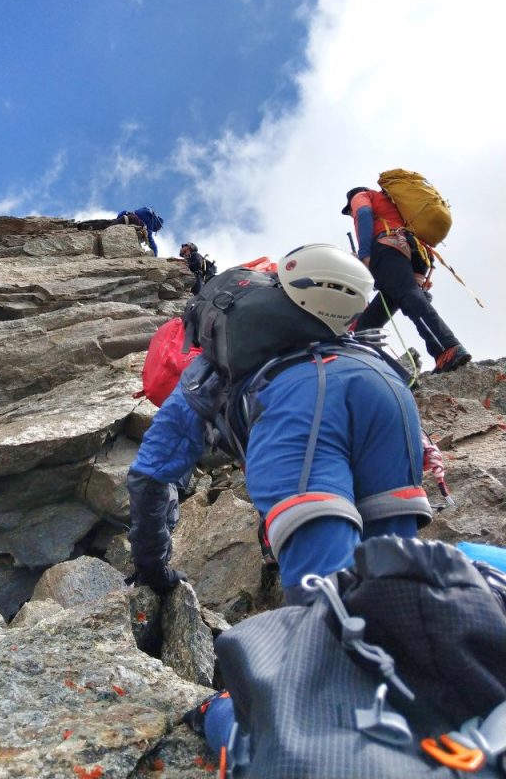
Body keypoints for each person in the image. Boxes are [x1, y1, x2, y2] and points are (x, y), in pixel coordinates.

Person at [126, 244, 432, 604]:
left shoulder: (204, 372)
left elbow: (150, 474)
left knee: (327, 597)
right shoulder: (321, 333)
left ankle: (337, 649)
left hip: (304, 397)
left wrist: (151, 565)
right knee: (397, 573)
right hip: (387, 386)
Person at [341, 186, 470, 373]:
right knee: (366, 326)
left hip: (390, 246)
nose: (351, 213)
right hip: (418, 254)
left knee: (408, 296)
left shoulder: (361, 196)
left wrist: (364, 254)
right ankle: (381, 369)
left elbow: (363, 213)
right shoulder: (391, 202)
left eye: (349, 211)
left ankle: (448, 347)